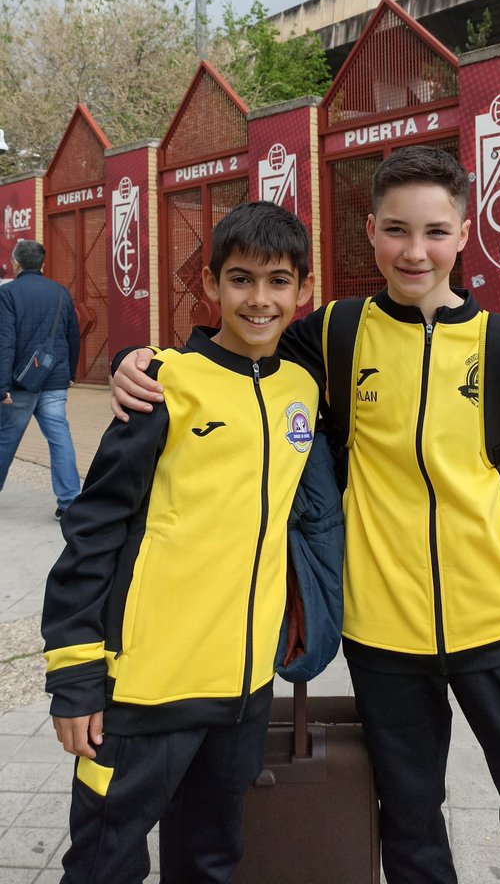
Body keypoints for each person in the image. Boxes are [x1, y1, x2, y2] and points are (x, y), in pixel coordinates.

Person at [111, 148, 500, 884]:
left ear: (463, 233)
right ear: (370, 232)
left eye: (434, 231)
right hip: (383, 628)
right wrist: (135, 359)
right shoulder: (336, 332)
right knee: (407, 811)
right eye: (396, 230)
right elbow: (236, 344)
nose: (414, 250)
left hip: (499, 616)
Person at [42, 201, 343, 884]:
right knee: (105, 861)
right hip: (143, 688)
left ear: (304, 293)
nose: (258, 299)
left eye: (277, 282)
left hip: (241, 692)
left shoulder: (302, 388)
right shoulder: (161, 385)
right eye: (240, 280)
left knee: (210, 858)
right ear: (209, 286)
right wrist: (74, 677)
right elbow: (93, 528)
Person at [0, 239, 81, 518]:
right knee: (60, 439)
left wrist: (1, 386)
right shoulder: (61, 292)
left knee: (6, 439)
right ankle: (70, 502)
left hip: (20, 382)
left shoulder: (8, 294)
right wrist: (70, 372)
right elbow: (73, 336)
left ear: (16, 263)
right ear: (43, 264)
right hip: (55, 378)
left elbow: (5, 341)